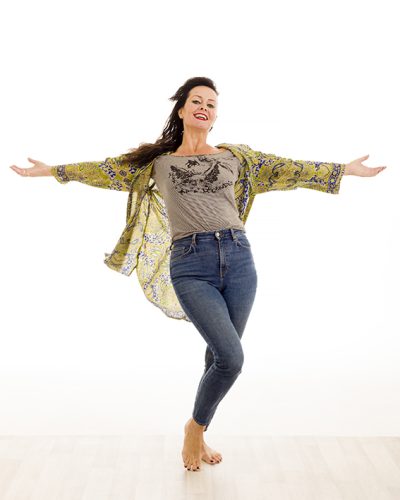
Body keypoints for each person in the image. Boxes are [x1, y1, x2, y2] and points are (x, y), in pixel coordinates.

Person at [10, 76, 387, 472]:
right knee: (231, 358)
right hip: (190, 265)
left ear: (215, 116)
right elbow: (106, 170)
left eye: (211, 103)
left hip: (239, 261)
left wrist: (345, 170)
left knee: (218, 355)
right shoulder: (158, 163)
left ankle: (199, 431)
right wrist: (52, 171)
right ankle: (195, 427)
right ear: (181, 110)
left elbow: (287, 168)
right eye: (197, 101)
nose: (204, 107)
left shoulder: (236, 157)